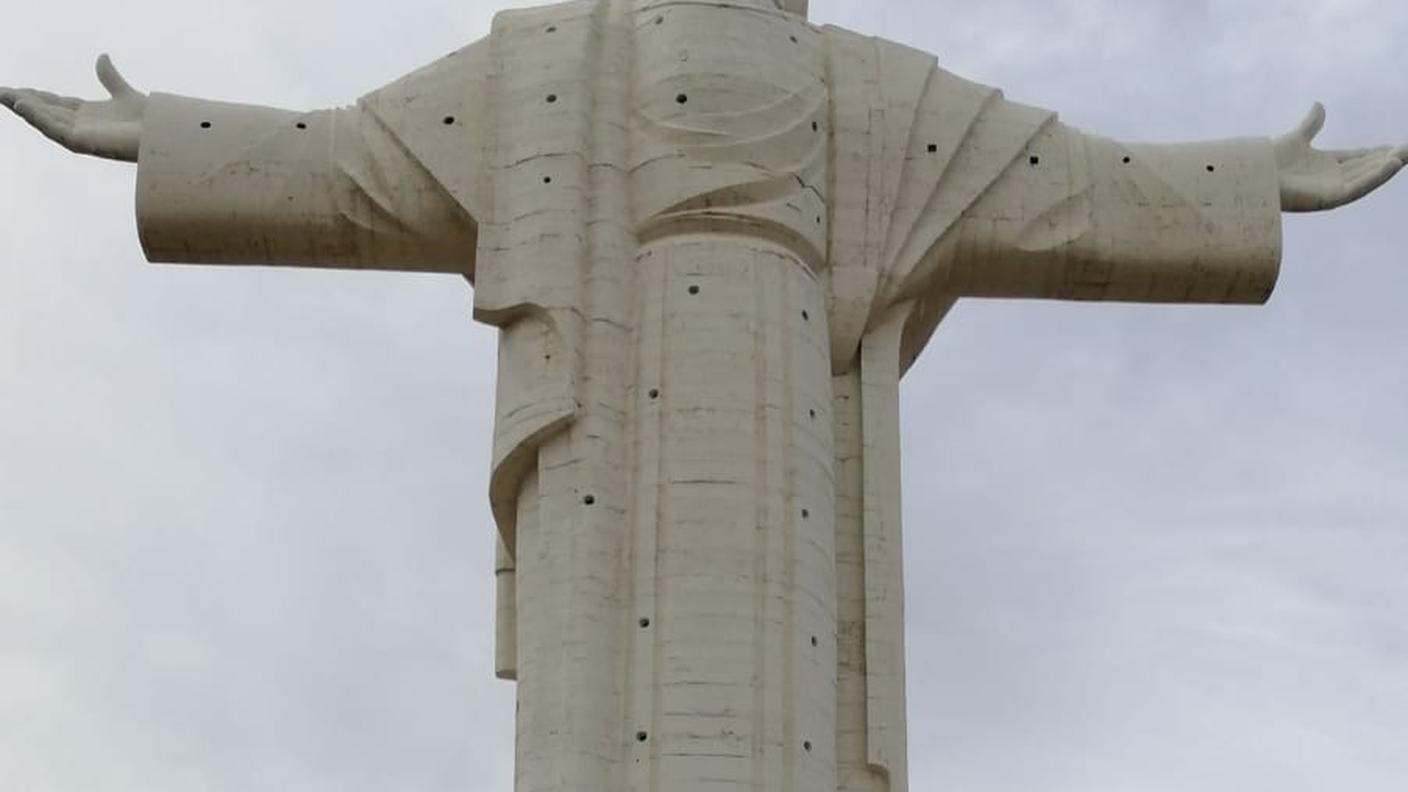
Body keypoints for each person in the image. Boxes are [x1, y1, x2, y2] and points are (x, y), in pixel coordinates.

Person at [3, 2, 1404, 790]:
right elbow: (356, 164)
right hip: (606, 396)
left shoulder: (863, 83)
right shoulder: (548, 63)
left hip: (779, 384)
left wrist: (1241, 178)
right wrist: (167, 135)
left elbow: (1070, 187)